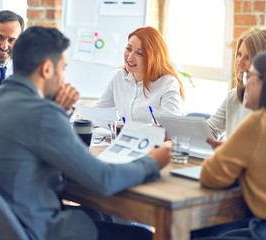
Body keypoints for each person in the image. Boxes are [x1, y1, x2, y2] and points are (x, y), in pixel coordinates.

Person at [0, 26, 172, 240]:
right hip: (32, 230)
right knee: (140, 235)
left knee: (92, 214)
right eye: (63, 68)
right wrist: (151, 163)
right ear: (47, 69)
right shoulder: (43, 114)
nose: (64, 77)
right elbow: (104, 179)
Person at [199, 52, 266, 239]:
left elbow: (209, 176)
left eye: (250, 76)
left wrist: (229, 157)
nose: (245, 82)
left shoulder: (257, 123)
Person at [95, 26, 185, 123]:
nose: (129, 57)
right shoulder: (120, 77)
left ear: (153, 58)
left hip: (152, 138)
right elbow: (99, 112)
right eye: (128, 49)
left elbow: (171, 128)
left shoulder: (168, 83)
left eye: (139, 53)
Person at [206, 28, 266, 149]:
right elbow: (211, 128)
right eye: (239, 54)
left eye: (247, 57)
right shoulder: (234, 96)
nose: (239, 62)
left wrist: (233, 148)